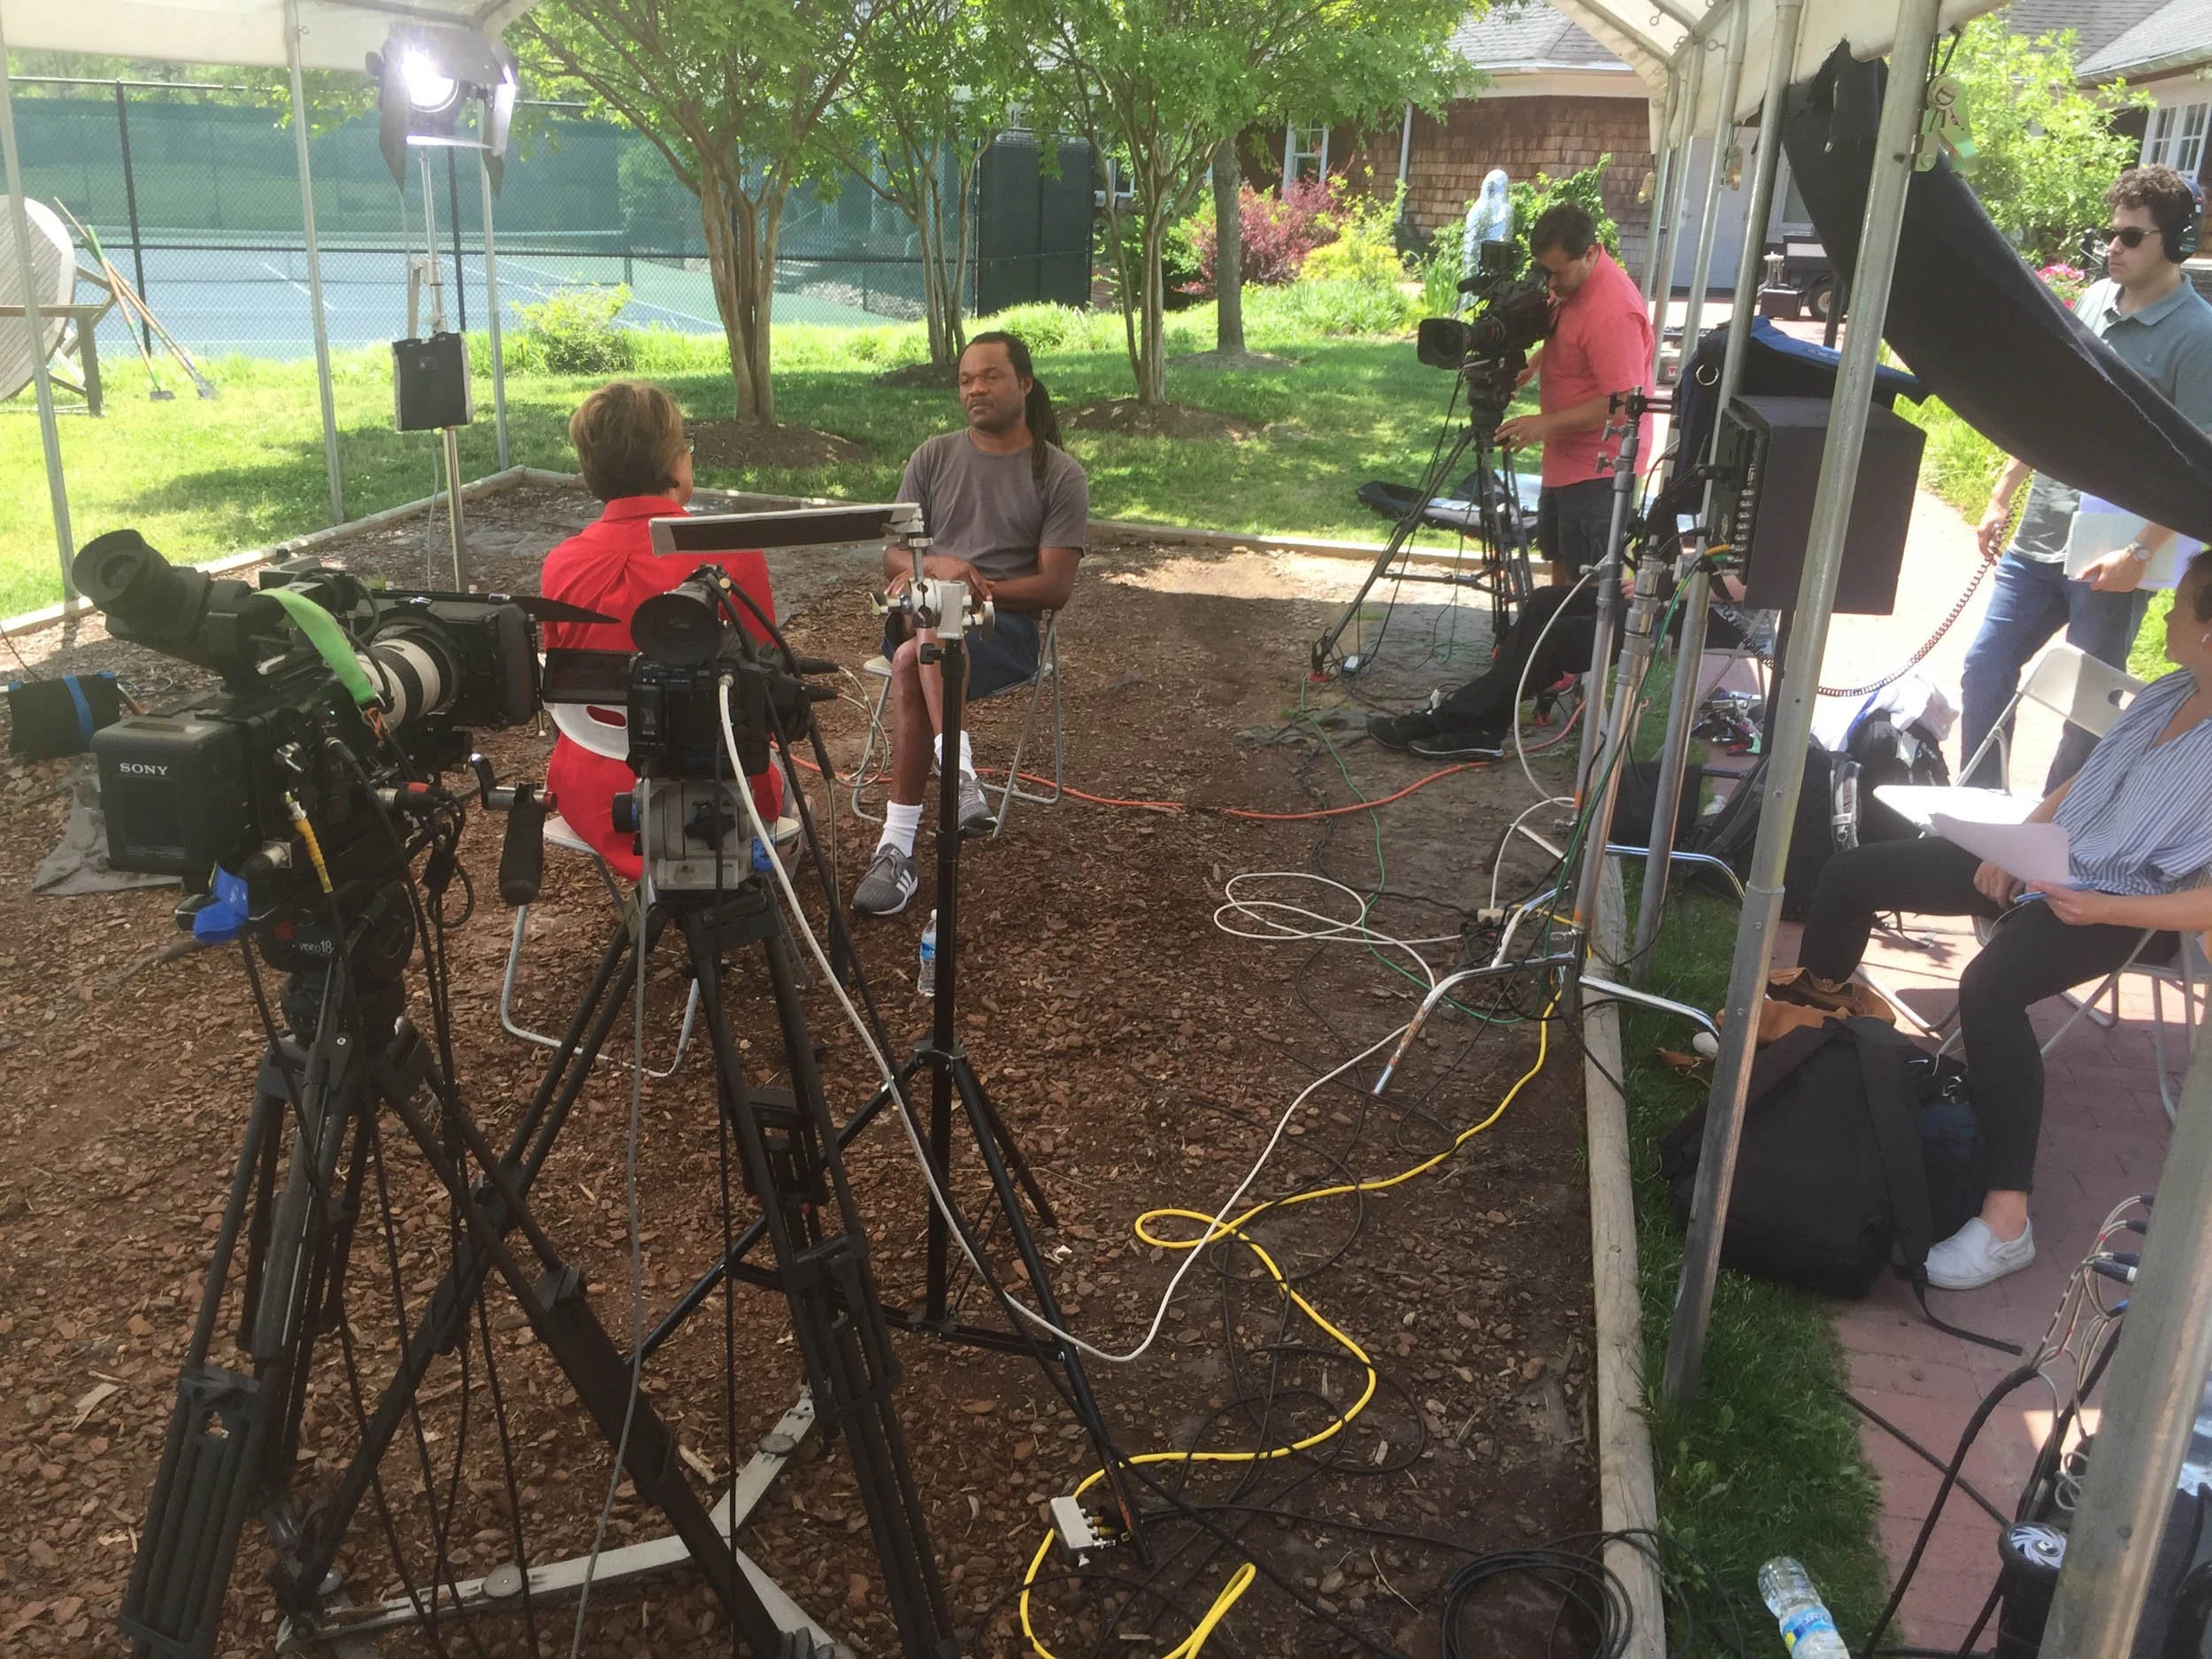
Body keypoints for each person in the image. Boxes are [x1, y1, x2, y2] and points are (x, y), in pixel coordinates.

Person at [1786, 549, 2212, 1291]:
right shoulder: (2174, 687)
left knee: (1989, 988)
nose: (2167, 612)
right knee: (1853, 873)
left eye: (2180, 604)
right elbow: (2092, 774)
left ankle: (2007, 1220)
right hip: (2050, 858)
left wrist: (2103, 905)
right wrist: (2020, 838)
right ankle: (1803, 1031)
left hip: (2127, 904)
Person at [1958, 165, 2212, 793]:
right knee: (1984, 667)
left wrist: (2140, 551)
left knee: (2085, 706)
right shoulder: (2094, 298)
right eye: (2110, 233)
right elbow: (2051, 408)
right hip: (2039, 534)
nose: (2113, 247)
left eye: (2131, 237)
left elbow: (2200, 466)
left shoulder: (2201, 337)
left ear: (2176, 242)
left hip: (2115, 555)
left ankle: (2053, 839)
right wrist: (2001, 493)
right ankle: (1977, 825)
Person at [851, 331, 1087, 918]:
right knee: (933, 608)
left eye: (990, 376)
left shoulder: (1059, 475)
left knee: (916, 654)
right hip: (917, 617)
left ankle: (896, 847)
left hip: (1001, 632)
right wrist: (939, 569)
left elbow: (1056, 587)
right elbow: (892, 557)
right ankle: (957, 773)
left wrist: (968, 584)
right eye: (965, 379)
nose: (975, 388)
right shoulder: (933, 456)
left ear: (1024, 385)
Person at [540, 380, 783, 880]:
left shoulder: (561, 564)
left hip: (598, 794)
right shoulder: (731, 552)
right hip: (718, 787)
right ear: (675, 464)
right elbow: (769, 689)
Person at [1365, 571, 1768, 758]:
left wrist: (1672, 583)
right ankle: (1484, 724)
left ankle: (1455, 717)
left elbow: (1762, 583)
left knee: (1560, 640)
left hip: (1714, 616)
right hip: (1675, 592)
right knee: (1544, 601)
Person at [1494, 201, 1655, 586]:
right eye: (1543, 271)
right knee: (1561, 562)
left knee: (1589, 583)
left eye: (1556, 272)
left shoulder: (1612, 312)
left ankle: (1582, 646)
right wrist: (1534, 364)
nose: (1549, 284)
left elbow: (1622, 404)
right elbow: (1572, 341)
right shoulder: (1574, 285)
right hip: (1566, 460)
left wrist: (1544, 424)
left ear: (1589, 253)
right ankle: (1555, 641)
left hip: (1598, 469)